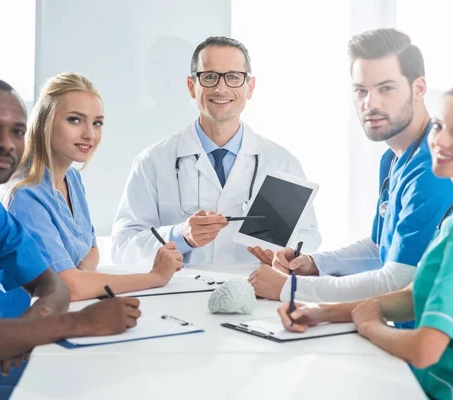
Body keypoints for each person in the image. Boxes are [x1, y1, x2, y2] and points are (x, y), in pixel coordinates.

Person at [278, 79, 453, 400]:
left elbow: (425, 349)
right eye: (439, 126)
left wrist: (369, 325)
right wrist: (322, 312)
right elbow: (416, 295)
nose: (441, 141)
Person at [0, 77, 142, 400]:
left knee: (114, 375)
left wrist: (25, 331)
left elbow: (51, 284)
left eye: (16, 131)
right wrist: (75, 324)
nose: (6, 143)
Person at [248, 29, 453, 311]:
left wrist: (290, 288)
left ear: (419, 89)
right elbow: (379, 247)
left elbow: (397, 280)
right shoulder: (391, 159)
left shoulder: (434, 166)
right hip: (408, 332)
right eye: (361, 90)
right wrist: (314, 264)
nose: (371, 103)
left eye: (386, 88)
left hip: (451, 345)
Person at [110, 36, 321, 268]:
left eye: (233, 77)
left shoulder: (281, 162)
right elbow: (122, 247)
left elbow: (308, 237)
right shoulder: (153, 162)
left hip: (256, 295)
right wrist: (180, 235)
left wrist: (287, 255)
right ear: (192, 87)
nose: (221, 88)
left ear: (249, 87)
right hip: (178, 295)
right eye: (210, 77)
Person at [2, 72, 183, 302]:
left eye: (97, 123)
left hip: (69, 311)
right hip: (31, 322)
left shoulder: (72, 179)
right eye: (75, 120)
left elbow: (92, 251)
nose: (90, 134)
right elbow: (68, 287)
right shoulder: (26, 195)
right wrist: (155, 276)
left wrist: (79, 277)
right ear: (45, 121)